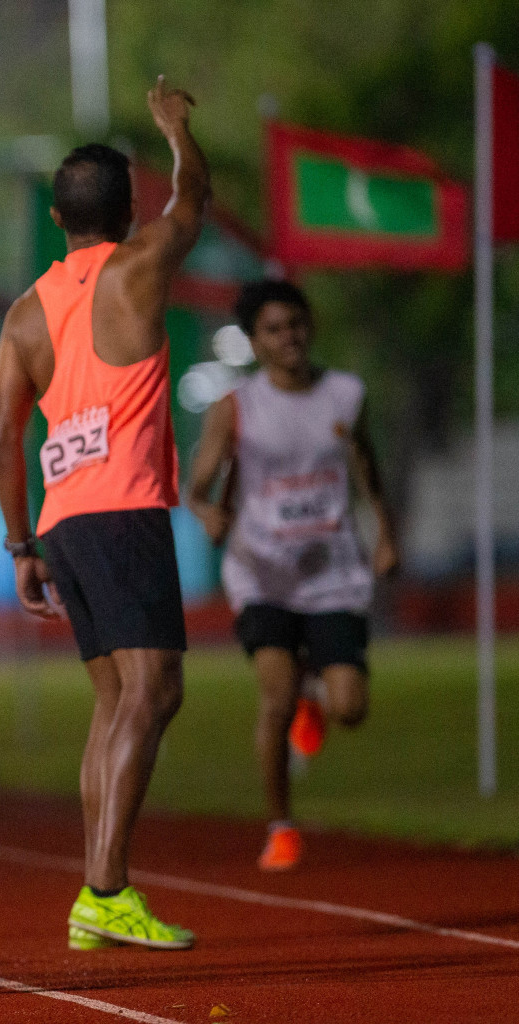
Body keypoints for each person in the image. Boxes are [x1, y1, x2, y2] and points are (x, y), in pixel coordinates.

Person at [0, 76, 208, 951]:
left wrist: (21, 544)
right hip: (123, 508)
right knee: (155, 691)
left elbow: (4, 438)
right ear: (125, 209)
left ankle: (98, 895)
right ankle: (104, 888)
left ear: (56, 218)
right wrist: (178, 129)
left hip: (65, 518)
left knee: (116, 702)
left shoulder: (22, 315)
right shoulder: (143, 262)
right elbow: (195, 196)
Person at [187, 279, 397, 872]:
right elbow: (197, 488)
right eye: (274, 330)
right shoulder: (238, 407)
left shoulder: (346, 395)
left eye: (296, 325)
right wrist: (208, 512)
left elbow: (367, 464)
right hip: (262, 572)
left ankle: (318, 696)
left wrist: (386, 532)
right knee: (274, 699)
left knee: (351, 708)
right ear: (255, 342)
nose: (289, 338)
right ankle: (281, 827)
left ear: (312, 327)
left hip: (333, 571)